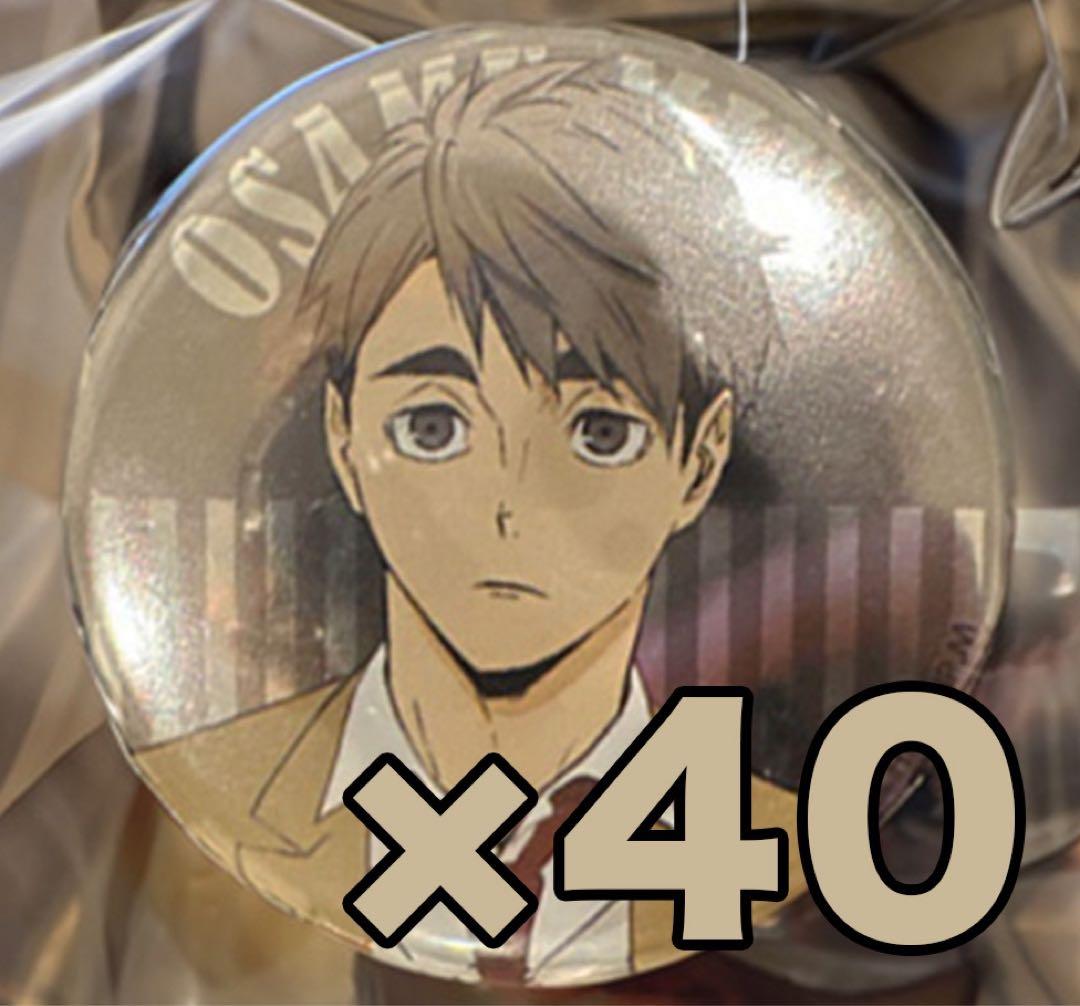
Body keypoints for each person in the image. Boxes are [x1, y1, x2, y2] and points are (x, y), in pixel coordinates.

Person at [138, 57, 803, 986]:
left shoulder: (799, 842)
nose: (509, 505)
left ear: (700, 458)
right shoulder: (194, 796)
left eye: (599, 432)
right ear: (342, 433)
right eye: (433, 426)